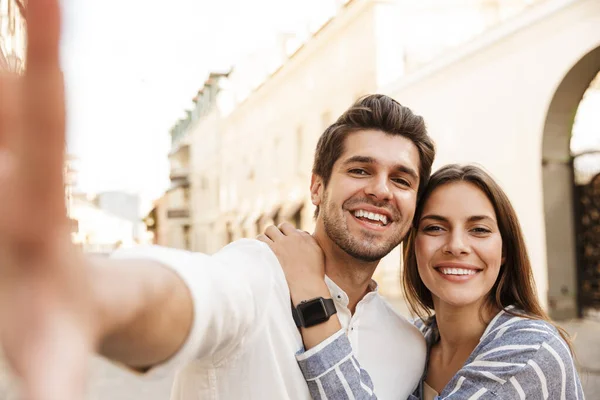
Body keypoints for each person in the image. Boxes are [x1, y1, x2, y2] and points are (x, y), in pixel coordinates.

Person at [0, 1, 436, 398]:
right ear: (317, 187)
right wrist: (90, 293)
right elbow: (196, 296)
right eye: (360, 170)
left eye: (401, 179)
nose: (380, 190)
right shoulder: (256, 273)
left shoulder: (410, 348)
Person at [271, 164, 584, 399]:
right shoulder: (415, 341)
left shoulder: (530, 349)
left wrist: (312, 294)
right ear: (413, 245)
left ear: (504, 251)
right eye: (435, 228)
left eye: (479, 230)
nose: (457, 245)